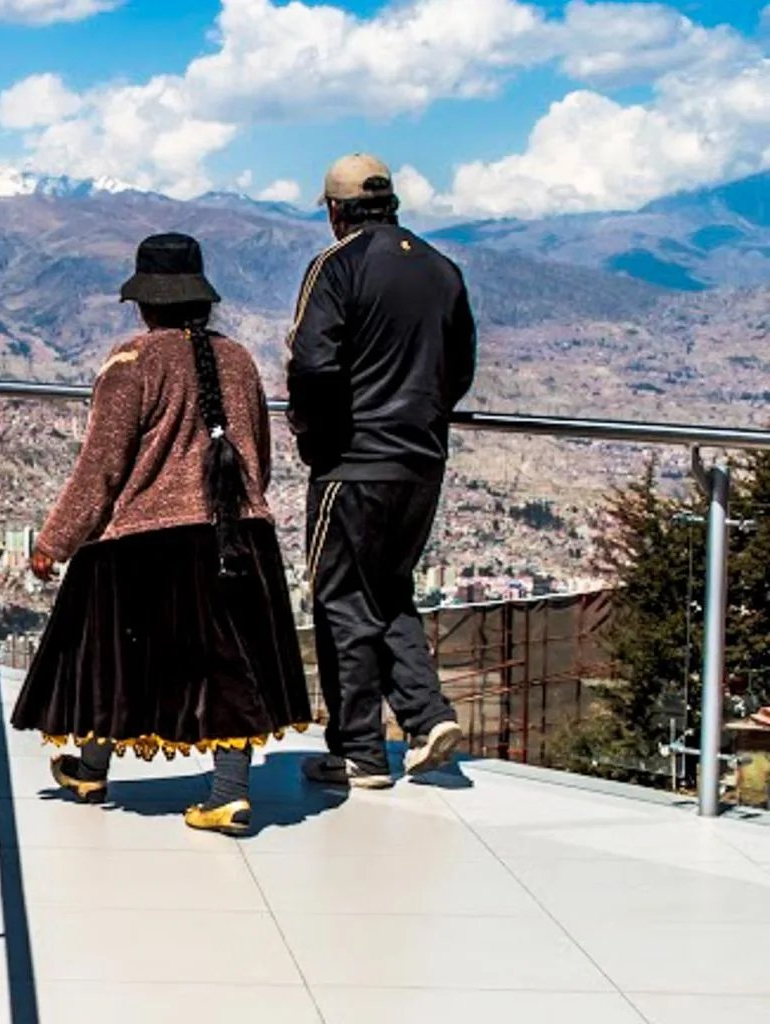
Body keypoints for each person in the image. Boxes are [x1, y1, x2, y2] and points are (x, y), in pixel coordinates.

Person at [10, 233, 311, 836]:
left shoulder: (131, 364)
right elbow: (259, 458)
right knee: (229, 662)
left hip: (153, 542)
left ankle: (112, 772)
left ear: (145, 304)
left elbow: (101, 469)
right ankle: (218, 785)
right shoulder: (241, 361)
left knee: (108, 649)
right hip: (240, 533)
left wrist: (55, 541)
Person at [287, 153, 477, 788]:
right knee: (389, 590)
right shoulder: (443, 270)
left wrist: (316, 439)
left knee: (340, 599)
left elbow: (313, 366)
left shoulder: (337, 267)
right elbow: (461, 370)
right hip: (421, 462)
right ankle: (426, 719)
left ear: (337, 210)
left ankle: (359, 750)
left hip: (353, 462)